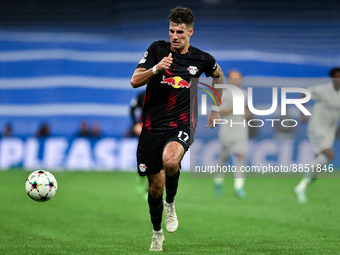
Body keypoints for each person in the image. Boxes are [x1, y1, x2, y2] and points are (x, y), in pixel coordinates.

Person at [130, 6, 224, 251]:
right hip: (152, 127)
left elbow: (219, 75)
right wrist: (156, 69)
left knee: (171, 161)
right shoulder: (156, 50)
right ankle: (156, 232)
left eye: (180, 32)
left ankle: (170, 204)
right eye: (172, 30)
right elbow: (134, 81)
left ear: (190, 32)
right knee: (154, 187)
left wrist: (216, 107)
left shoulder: (201, 59)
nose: (175, 36)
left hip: (182, 123)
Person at [294, 67, 340, 203]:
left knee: (319, 163)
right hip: (317, 128)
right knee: (329, 155)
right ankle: (302, 183)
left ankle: (303, 185)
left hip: (330, 132)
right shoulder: (323, 90)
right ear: (332, 78)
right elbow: (304, 93)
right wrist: (302, 113)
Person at [214, 70, 250, 198]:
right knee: (223, 157)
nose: (236, 81)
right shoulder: (224, 94)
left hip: (241, 128)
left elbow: (246, 111)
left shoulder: (244, 93)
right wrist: (234, 108)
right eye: (233, 78)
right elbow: (219, 110)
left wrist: (247, 114)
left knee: (240, 156)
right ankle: (218, 182)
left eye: (238, 78)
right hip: (227, 129)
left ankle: (239, 187)